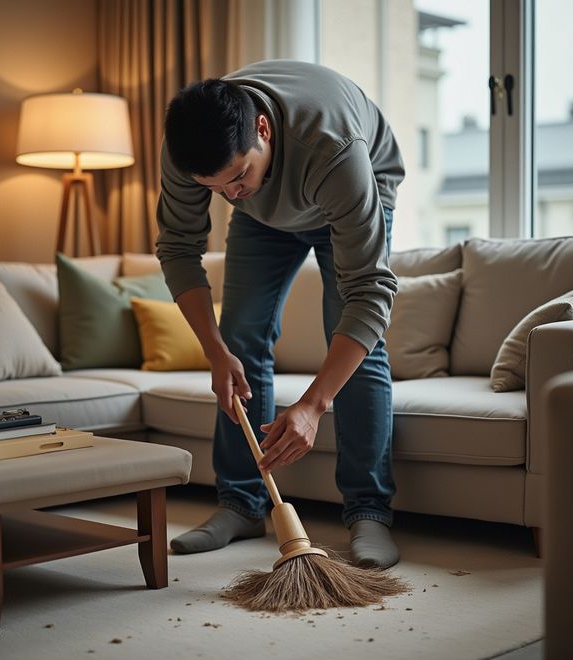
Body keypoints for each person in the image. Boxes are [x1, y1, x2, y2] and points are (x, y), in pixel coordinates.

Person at [156, 59, 405, 569]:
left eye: (238, 176)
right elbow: (179, 248)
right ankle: (242, 504)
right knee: (239, 337)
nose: (230, 194)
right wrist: (216, 353)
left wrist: (313, 405)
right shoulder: (191, 154)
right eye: (216, 188)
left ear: (262, 129)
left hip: (353, 183)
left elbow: (370, 291)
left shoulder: (333, 146)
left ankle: (369, 511)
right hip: (266, 215)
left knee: (355, 334)